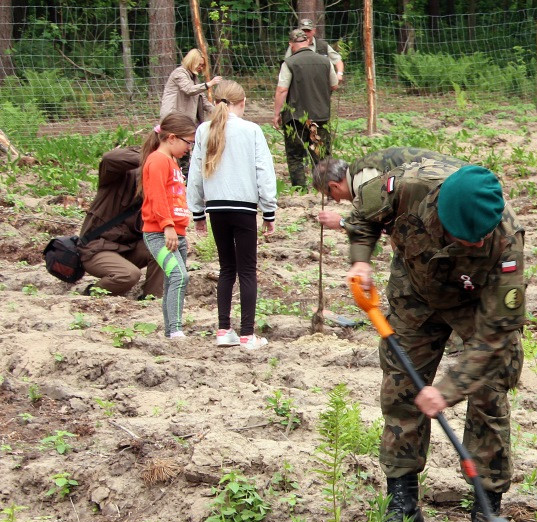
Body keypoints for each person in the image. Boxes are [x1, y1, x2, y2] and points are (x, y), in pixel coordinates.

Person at [347, 160, 526, 522]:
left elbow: (495, 335)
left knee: (489, 390)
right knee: (401, 391)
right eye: (467, 239)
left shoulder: (507, 239)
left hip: (475, 305)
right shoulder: (406, 189)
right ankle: (403, 508)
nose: (478, 245)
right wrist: (361, 259)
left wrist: (447, 390)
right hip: (415, 292)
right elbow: (361, 215)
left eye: (482, 238)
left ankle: (487, 511)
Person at [187, 80, 276, 351]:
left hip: (216, 209)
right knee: (247, 270)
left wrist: (197, 212)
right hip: (244, 209)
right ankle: (248, 335)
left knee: (227, 269)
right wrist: (269, 210)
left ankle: (224, 330)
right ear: (243, 102)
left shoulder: (204, 129)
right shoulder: (251, 130)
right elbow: (263, 170)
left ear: (216, 102)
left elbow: (195, 173)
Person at [139, 113, 196, 339]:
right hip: (160, 233)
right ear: (172, 137)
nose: (189, 148)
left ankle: (170, 330)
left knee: (174, 280)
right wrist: (167, 226)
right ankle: (175, 329)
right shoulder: (157, 161)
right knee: (180, 276)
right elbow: (157, 196)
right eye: (188, 142)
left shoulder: (171, 161)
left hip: (176, 232)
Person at [312, 147, 467, 231]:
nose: (337, 200)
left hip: (457, 187)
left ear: (334, 185)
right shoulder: (362, 169)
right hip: (457, 180)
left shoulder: (365, 179)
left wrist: (341, 222)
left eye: (331, 195)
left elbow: (371, 223)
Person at [78, 148, 164, 299]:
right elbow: (110, 158)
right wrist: (152, 159)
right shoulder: (120, 179)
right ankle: (92, 293)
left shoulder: (159, 192)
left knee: (163, 248)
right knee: (129, 275)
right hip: (97, 249)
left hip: (127, 249)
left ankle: (152, 299)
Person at [273, 29, 338, 188]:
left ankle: (300, 188)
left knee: (295, 155)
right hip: (321, 116)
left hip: (296, 118)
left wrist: (276, 114)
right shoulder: (325, 61)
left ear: (291, 44)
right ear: (308, 42)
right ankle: (324, 187)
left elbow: (282, 90)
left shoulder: (289, 63)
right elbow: (334, 85)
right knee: (321, 154)